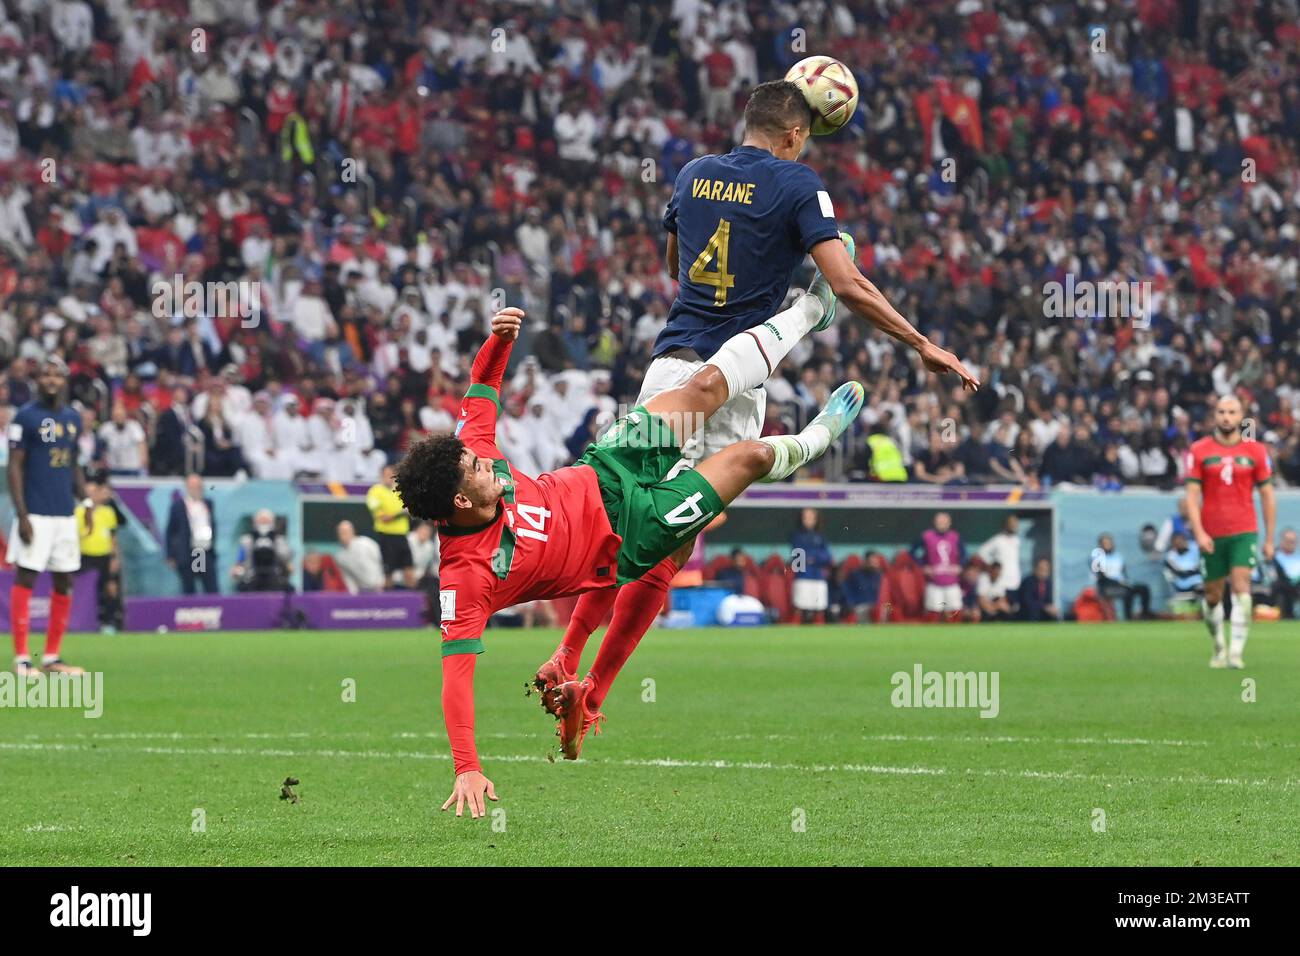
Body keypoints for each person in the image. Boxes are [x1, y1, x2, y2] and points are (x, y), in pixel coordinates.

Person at [530, 79, 978, 735]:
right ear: (797, 135)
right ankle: (591, 687)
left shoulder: (692, 174)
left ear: (748, 121)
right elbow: (846, 283)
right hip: (735, 377)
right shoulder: (800, 186)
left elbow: (676, 259)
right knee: (671, 539)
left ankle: (569, 659)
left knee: (637, 524)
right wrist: (923, 345)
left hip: (672, 363)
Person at [397, 304, 874, 818]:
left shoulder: (469, 456)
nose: (485, 462)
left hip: (608, 463)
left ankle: (813, 307)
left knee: (704, 389)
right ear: (461, 504)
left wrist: (500, 341)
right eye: (475, 469)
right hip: (632, 533)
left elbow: (482, 386)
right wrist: (466, 764)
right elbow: (456, 676)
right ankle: (816, 439)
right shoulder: (464, 578)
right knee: (748, 457)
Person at [5, 356, 89, 675]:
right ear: (37, 380)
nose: (51, 380)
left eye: (57, 374)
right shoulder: (25, 417)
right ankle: (22, 658)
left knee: (64, 580)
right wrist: (21, 514)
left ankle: (52, 657)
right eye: (46, 375)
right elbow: (15, 466)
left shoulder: (72, 418)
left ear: (65, 380)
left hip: (64, 513)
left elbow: (73, 463)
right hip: (36, 513)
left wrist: (87, 503)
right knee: (27, 576)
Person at [1186, 394, 1276, 668]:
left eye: (1232, 412)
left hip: (1244, 529)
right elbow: (1191, 496)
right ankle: (1218, 646)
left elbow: (1267, 496)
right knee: (1213, 595)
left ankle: (1236, 652)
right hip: (1211, 533)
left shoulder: (1256, 451)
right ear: (1215, 416)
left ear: (1242, 416)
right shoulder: (1199, 450)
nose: (1227, 417)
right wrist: (1199, 533)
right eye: (1222, 412)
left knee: (1241, 586)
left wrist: (1269, 538)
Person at [76, 479, 124, 632]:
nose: (91, 496)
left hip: (104, 557)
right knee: (85, 591)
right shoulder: (78, 512)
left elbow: (113, 537)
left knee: (110, 589)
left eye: (93, 492)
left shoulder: (107, 512)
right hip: (85, 556)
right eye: (88, 493)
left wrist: (114, 557)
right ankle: (85, 622)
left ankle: (109, 623)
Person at [165, 473, 218, 594]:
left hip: (205, 550)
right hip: (188, 552)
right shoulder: (178, 506)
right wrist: (170, 555)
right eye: (193, 486)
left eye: (199, 486)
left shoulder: (208, 504)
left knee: (211, 587)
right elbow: (170, 531)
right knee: (189, 588)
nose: (196, 489)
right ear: (187, 487)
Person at [366, 465, 414, 589]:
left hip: (402, 536)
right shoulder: (375, 492)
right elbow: (382, 518)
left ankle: (414, 604)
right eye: (386, 474)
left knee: (409, 571)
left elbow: (411, 510)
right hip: (386, 537)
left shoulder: (399, 491)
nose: (389, 477)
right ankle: (387, 604)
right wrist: (401, 513)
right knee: (388, 574)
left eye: (391, 475)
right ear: (381, 476)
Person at [913, 512, 965, 618]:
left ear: (949, 523)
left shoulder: (955, 536)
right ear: (934, 522)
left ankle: (954, 633)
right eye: (939, 521)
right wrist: (923, 566)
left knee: (954, 610)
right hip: (934, 581)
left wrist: (960, 566)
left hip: (951, 581)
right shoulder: (926, 536)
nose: (942, 524)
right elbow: (912, 552)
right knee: (933, 611)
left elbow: (964, 554)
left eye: (944, 521)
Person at [1091, 533, 1151, 620]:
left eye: (1109, 542)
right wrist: (1119, 583)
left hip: (1122, 584)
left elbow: (1123, 573)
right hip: (1107, 587)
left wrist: (1125, 582)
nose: (1108, 545)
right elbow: (1101, 578)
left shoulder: (1118, 556)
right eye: (1105, 543)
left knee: (1144, 588)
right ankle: (1128, 617)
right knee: (1128, 591)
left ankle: (1145, 614)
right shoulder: (1097, 559)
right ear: (1101, 545)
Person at [231, 509, 292, 592]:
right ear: (255, 522)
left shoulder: (280, 540)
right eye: (261, 521)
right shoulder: (246, 541)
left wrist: (273, 542)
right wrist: (237, 570)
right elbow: (240, 561)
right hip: (252, 576)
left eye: (266, 521)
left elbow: (286, 559)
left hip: (274, 576)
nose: (263, 524)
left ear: (272, 522)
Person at [790, 508, 833, 622]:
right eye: (805, 517)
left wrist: (812, 558)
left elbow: (827, 557)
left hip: (818, 576)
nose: (808, 520)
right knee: (799, 607)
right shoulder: (797, 536)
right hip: (802, 576)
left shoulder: (821, 537)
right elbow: (798, 557)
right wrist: (815, 558)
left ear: (816, 519)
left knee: (819, 608)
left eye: (811, 517)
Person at [333, 520, 385, 594]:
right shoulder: (340, 557)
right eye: (340, 532)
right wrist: (354, 595)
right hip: (362, 591)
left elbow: (381, 560)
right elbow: (348, 578)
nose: (343, 534)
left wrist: (381, 584)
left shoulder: (366, 543)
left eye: (345, 531)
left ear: (352, 531)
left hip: (382, 587)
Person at [97, 401, 148, 476]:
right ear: (112, 416)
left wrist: (143, 466)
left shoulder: (134, 427)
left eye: (121, 415)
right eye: (116, 415)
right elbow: (99, 448)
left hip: (132, 469)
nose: (119, 418)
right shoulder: (105, 429)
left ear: (125, 414)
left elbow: (142, 447)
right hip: (113, 469)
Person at [978, 515, 1022, 594]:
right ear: (1006, 524)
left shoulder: (1017, 540)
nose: (1013, 525)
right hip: (1001, 579)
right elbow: (982, 552)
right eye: (1011, 523)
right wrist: (993, 564)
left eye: (1015, 523)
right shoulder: (998, 539)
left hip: (1015, 579)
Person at [1270, 528, 1300, 619]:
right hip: (1281, 588)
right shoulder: (1274, 558)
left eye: (1293, 541)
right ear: (1282, 541)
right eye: (1288, 541)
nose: (1291, 544)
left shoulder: (1298, 559)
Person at [1018, 557, 1059, 621]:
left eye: (1046, 570)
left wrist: (1051, 608)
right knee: (1033, 613)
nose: (1043, 572)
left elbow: (1049, 600)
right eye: (1041, 569)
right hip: (1029, 611)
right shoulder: (1028, 581)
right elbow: (1027, 601)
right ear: (1036, 569)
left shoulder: (1048, 583)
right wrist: (1043, 607)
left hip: (1043, 611)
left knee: (1054, 614)